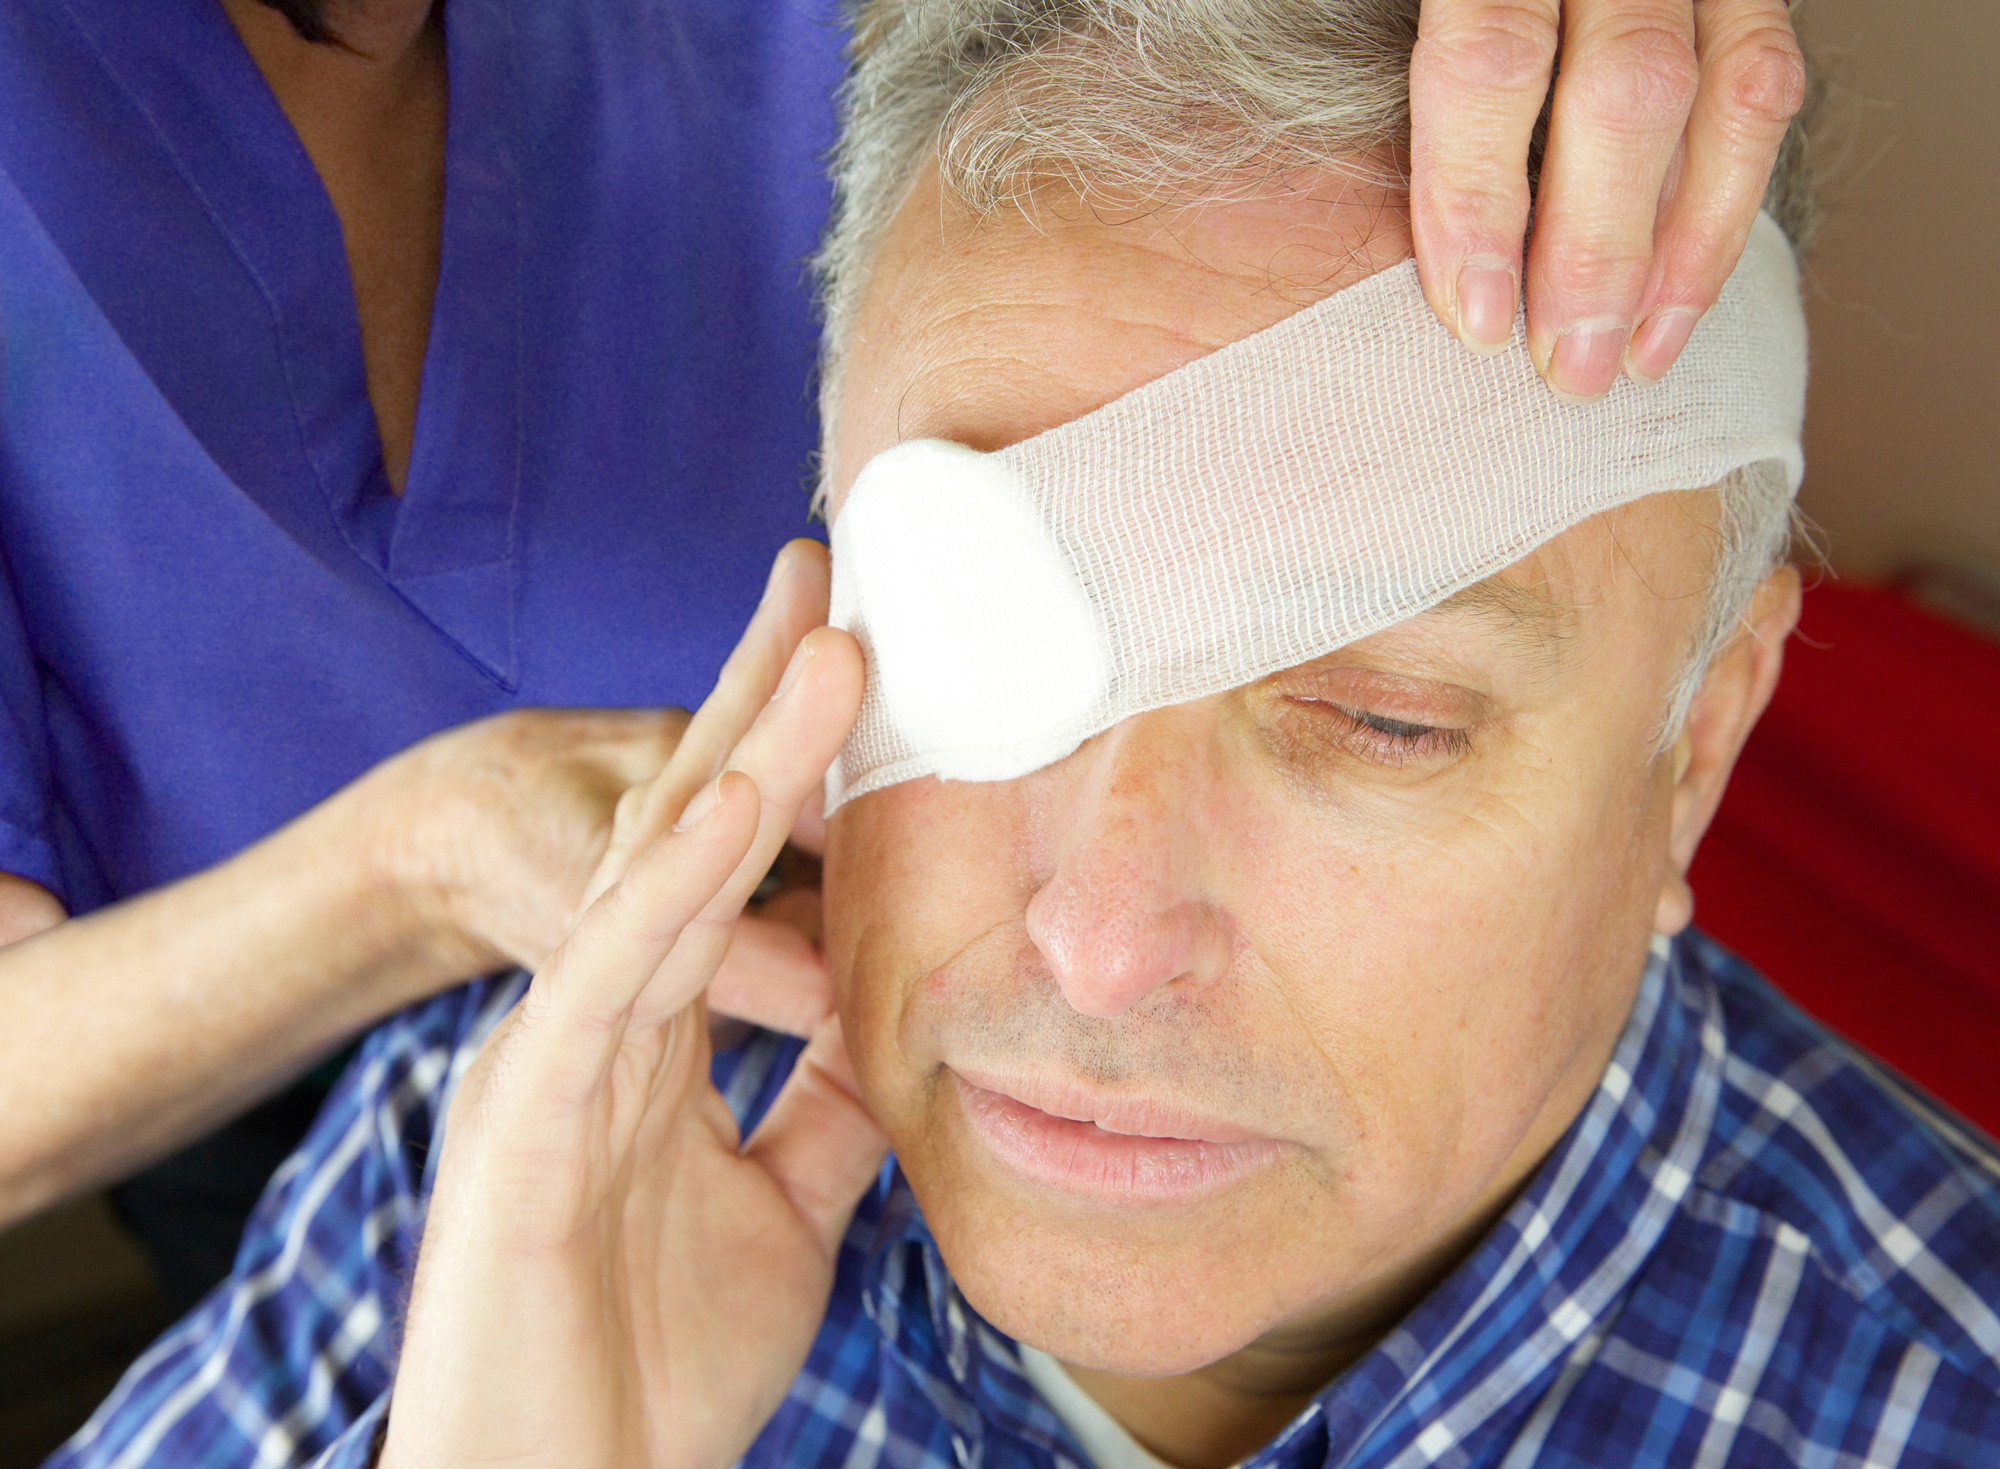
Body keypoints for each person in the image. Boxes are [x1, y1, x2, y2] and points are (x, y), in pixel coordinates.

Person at [57, 5, 2000, 1468]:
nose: (1099, 936)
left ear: (1696, 746)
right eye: (971, 638)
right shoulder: (513, 1167)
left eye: (1378, 718)